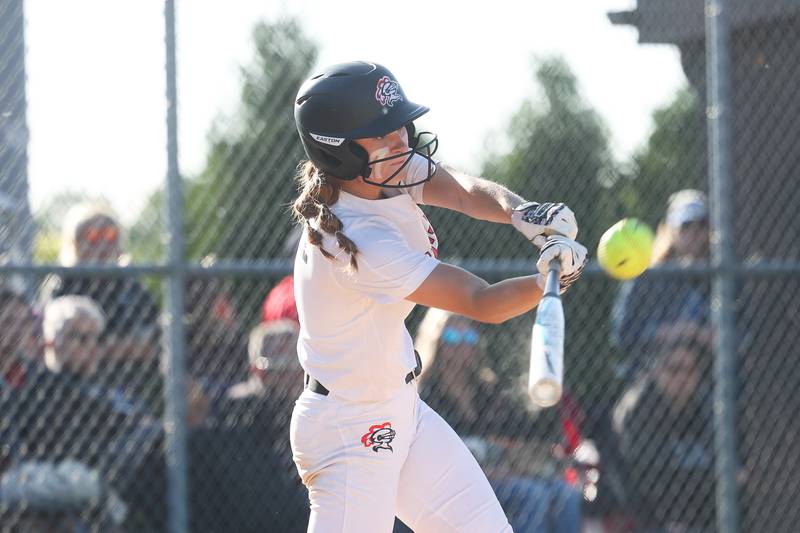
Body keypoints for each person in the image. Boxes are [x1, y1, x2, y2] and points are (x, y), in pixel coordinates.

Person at [289, 61, 588, 533]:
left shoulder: (384, 173)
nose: (401, 140)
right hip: (349, 430)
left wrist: (522, 212)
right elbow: (481, 301)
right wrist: (548, 280)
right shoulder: (358, 241)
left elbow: (466, 192)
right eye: (381, 133)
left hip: (401, 408)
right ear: (339, 153)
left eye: (399, 126)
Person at [410, 307, 582, 533]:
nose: (463, 345)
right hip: (456, 482)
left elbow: (515, 435)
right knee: (531, 495)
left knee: (565, 494)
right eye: (453, 336)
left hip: (503, 473)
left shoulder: (485, 390)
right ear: (437, 340)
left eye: (469, 337)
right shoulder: (426, 394)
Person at [611, 329, 716, 532]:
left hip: (696, 515)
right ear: (657, 371)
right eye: (674, 369)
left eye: (690, 370)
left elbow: (717, 466)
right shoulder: (638, 408)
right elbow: (651, 476)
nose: (682, 378)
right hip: (646, 517)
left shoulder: (704, 406)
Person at [611, 189, 711, 375]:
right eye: (686, 226)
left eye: (701, 225)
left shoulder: (717, 277)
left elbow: (743, 337)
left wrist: (703, 335)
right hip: (649, 378)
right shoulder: (646, 276)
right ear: (670, 230)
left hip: (707, 380)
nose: (694, 234)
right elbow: (623, 334)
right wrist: (676, 332)